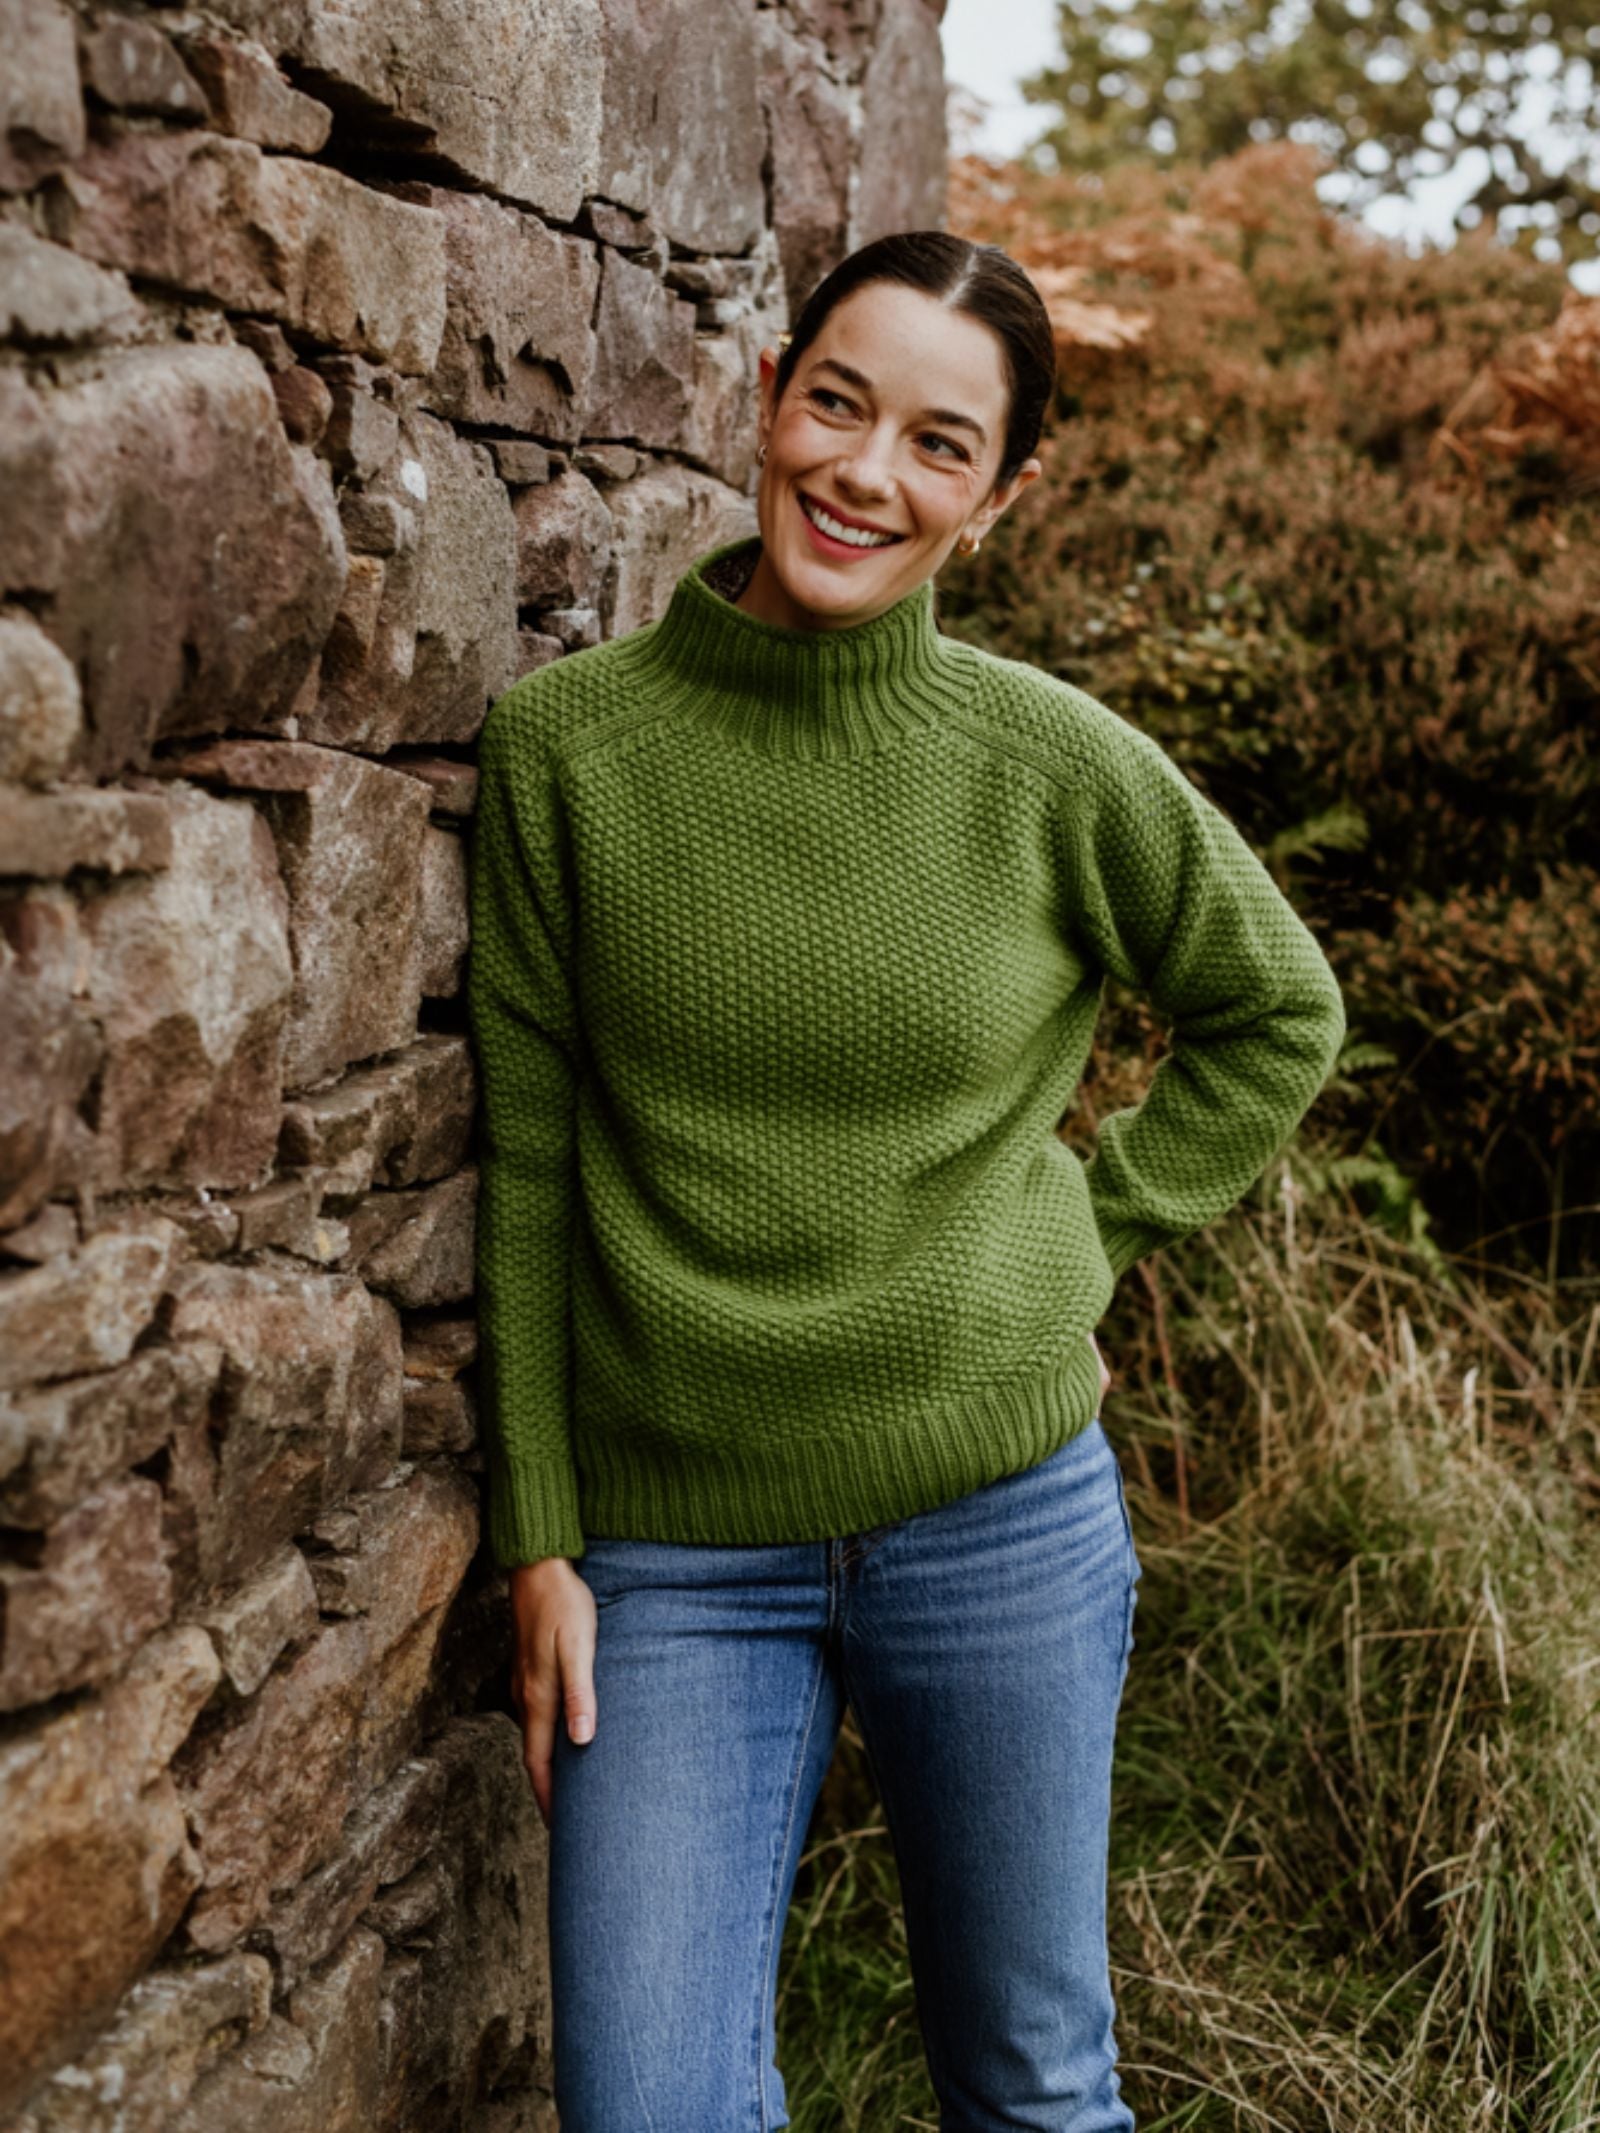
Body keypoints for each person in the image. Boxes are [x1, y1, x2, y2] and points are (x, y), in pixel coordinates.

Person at [466, 229, 1347, 2133]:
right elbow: (527, 1159)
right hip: (673, 1555)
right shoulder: (569, 753)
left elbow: (1278, 1010)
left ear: (999, 498)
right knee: (650, 2109)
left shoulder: (1048, 765)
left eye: (939, 445)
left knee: (1030, 2088)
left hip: (999, 1519)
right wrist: (539, 1529)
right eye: (841, 405)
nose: (868, 474)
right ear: (771, 390)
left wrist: (1077, 1244)